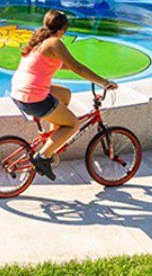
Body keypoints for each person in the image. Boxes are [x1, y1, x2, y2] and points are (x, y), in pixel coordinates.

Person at [10, 9, 116, 180]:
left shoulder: (39, 40)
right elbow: (78, 68)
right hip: (33, 98)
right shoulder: (54, 43)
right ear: (61, 30)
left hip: (20, 92)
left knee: (65, 94)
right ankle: (42, 157)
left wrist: (83, 71)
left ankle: (52, 141)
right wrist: (103, 82)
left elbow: (59, 65)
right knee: (72, 125)